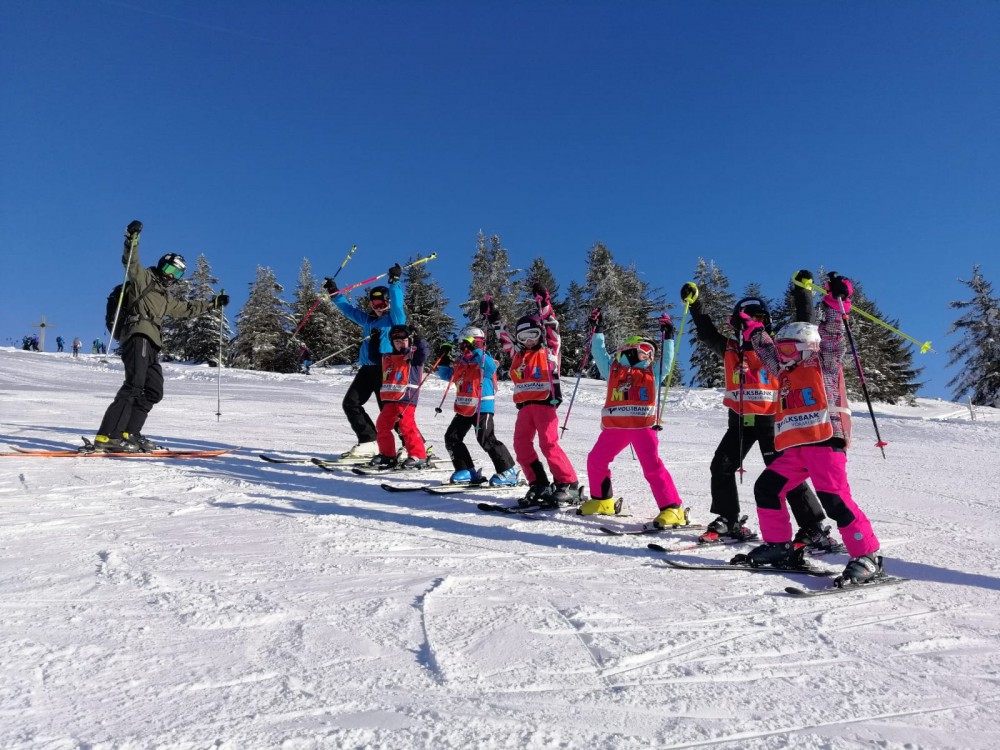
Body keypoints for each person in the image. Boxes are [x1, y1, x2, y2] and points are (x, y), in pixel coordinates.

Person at [736, 272, 883, 583]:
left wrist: (834, 304)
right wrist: (753, 329)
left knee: (835, 500)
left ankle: (867, 555)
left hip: (825, 443)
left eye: (789, 348)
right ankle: (779, 546)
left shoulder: (824, 363)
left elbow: (832, 336)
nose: (782, 354)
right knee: (767, 488)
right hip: (796, 448)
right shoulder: (784, 368)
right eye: (782, 349)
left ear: (807, 346)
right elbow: (765, 350)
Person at [683, 274, 837, 552]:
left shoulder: (775, 349)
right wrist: (695, 305)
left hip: (772, 423)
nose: (752, 323)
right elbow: (706, 333)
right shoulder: (730, 348)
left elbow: (805, 326)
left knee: (785, 475)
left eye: (759, 318)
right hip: (739, 423)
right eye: (746, 318)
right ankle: (729, 519)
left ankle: (814, 526)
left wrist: (802, 291)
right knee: (721, 466)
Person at [93, 220, 228, 453]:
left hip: (153, 343)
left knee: (154, 391)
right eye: (169, 270)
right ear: (161, 266)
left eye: (177, 273)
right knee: (134, 385)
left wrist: (212, 304)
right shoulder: (143, 279)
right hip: (137, 334)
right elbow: (131, 261)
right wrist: (132, 239)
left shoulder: (166, 298)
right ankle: (108, 436)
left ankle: (129, 433)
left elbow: (187, 309)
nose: (171, 276)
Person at [581, 310, 687, 526]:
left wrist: (668, 336)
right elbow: (599, 352)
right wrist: (597, 330)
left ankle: (672, 509)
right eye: (645, 350)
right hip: (615, 428)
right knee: (596, 460)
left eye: (652, 353)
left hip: (642, 427)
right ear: (629, 349)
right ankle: (602, 500)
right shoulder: (612, 370)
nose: (649, 356)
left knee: (652, 466)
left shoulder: (652, 373)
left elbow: (667, 363)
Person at [483, 282, 579, 506]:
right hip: (525, 407)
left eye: (533, 335)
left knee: (548, 444)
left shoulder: (549, 350)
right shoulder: (517, 353)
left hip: (545, 404)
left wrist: (544, 304)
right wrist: (493, 316)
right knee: (521, 445)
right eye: (523, 337)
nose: (528, 341)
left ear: (540, 334)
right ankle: (538, 483)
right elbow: (503, 336)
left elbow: (552, 326)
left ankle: (568, 484)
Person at [323, 264, 406, 458]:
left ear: (388, 303)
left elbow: (398, 305)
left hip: (386, 369)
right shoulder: (368, 320)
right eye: (374, 304)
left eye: (381, 303)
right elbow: (348, 310)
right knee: (350, 403)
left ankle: (412, 444)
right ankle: (369, 441)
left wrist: (394, 282)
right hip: (367, 369)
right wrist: (334, 293)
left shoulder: (395, 320)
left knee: (389, 410)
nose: (378, 308)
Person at [437, 326, 518, 486]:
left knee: (485, 439)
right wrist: (444, 359)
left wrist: (477, 351)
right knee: (452, 437)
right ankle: (466, 470)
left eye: (476, 343)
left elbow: (490, 368)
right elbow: (446, 375)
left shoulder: (484, 359)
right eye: (464, 345)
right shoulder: (460, 363)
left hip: (482, 406)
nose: (468, 348)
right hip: (464, 407)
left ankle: (508, 472)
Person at [368, 324, 431, 469]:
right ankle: (387, 455)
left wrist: (419, 337)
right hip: (390, 398)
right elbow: (372, 356)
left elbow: (424, 352)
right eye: (396, 341)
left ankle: (419, 455)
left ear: (409, 341)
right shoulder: (387, 357)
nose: (400, 343)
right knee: (382, 425)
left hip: (407, 397)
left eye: (404, 340)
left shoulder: (414, 356)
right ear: (392, 343)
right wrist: (375, 339)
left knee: (406, 425)